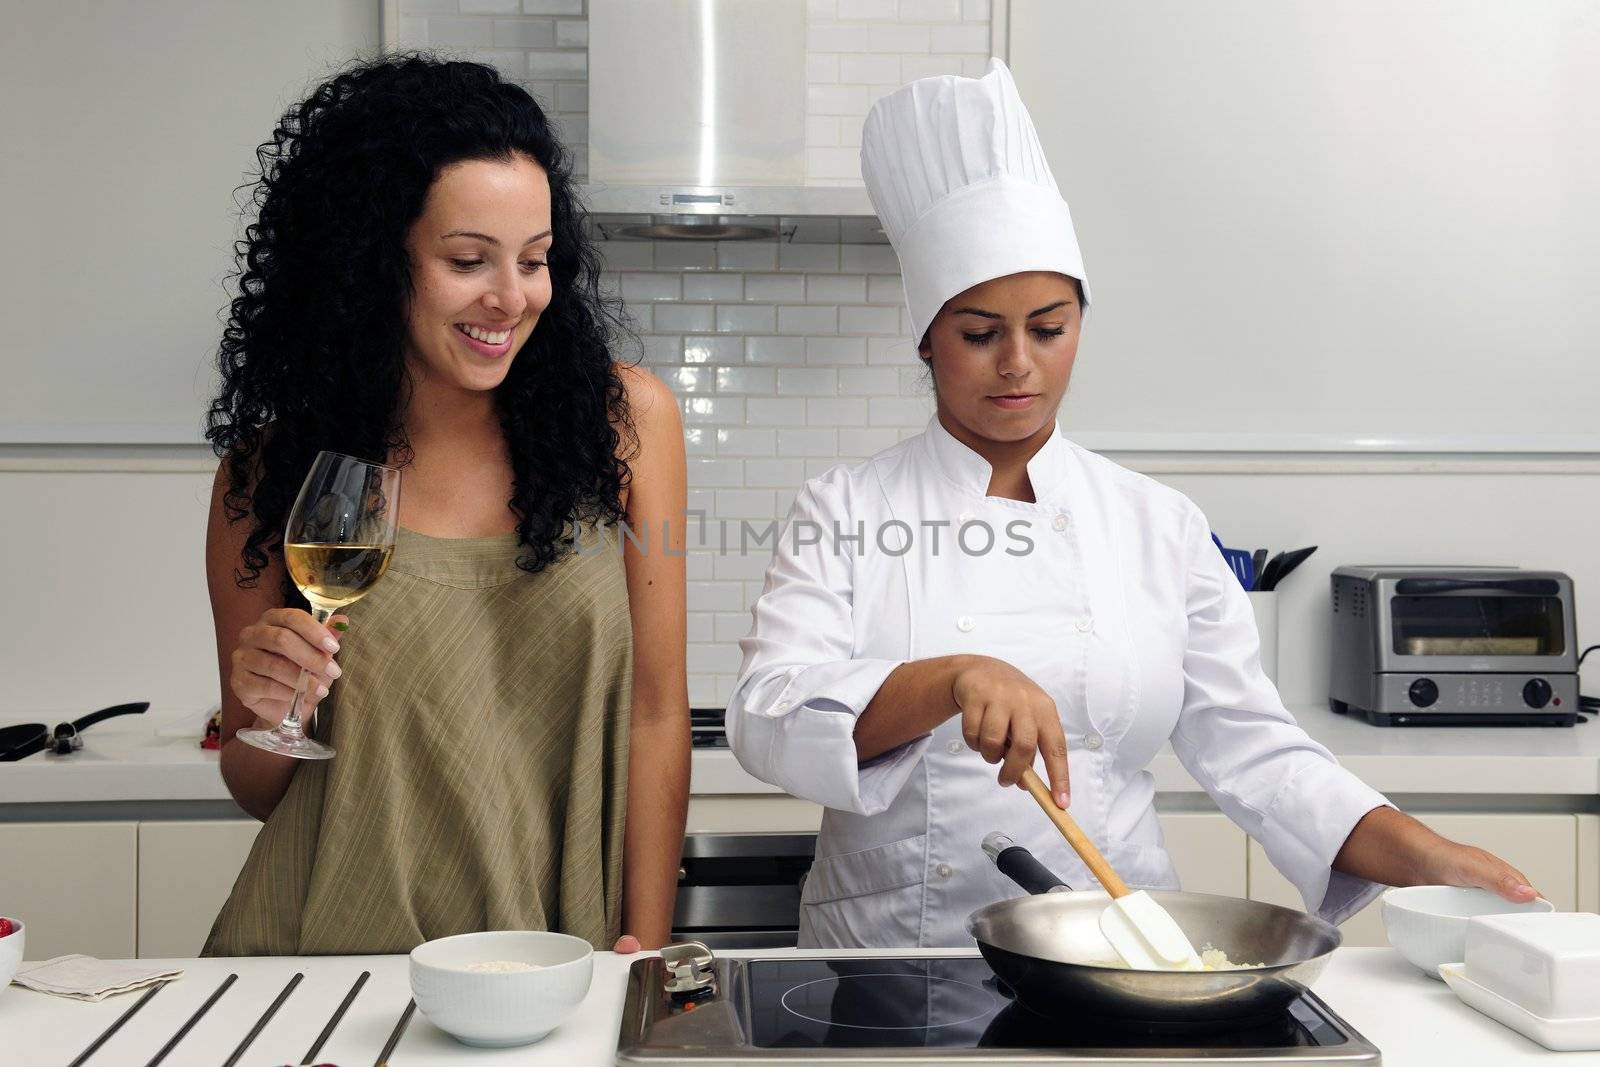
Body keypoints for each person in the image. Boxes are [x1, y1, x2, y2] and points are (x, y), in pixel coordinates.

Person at [726, 60, 1536, 949]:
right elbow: (768, 717)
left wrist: (1426, 853)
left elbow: (1258, 751)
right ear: (927, 340)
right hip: (892, 961)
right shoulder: (847, 509)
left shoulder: (1157, 524)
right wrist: (949, 681)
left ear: (1080, 321)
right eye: (979, 334)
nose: (1018, 365)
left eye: (1048, 327)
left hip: (1120, 952)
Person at [201, 55, 688, 955]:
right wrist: (279, 706)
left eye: (536, 261)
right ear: (368, 260)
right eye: (468, 260)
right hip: (328, 961)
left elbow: (658, 711)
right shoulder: (267, 472)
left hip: (557, 960)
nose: (511, 298)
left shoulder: (627, 426)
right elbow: (259, 785)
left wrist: (646, 945)